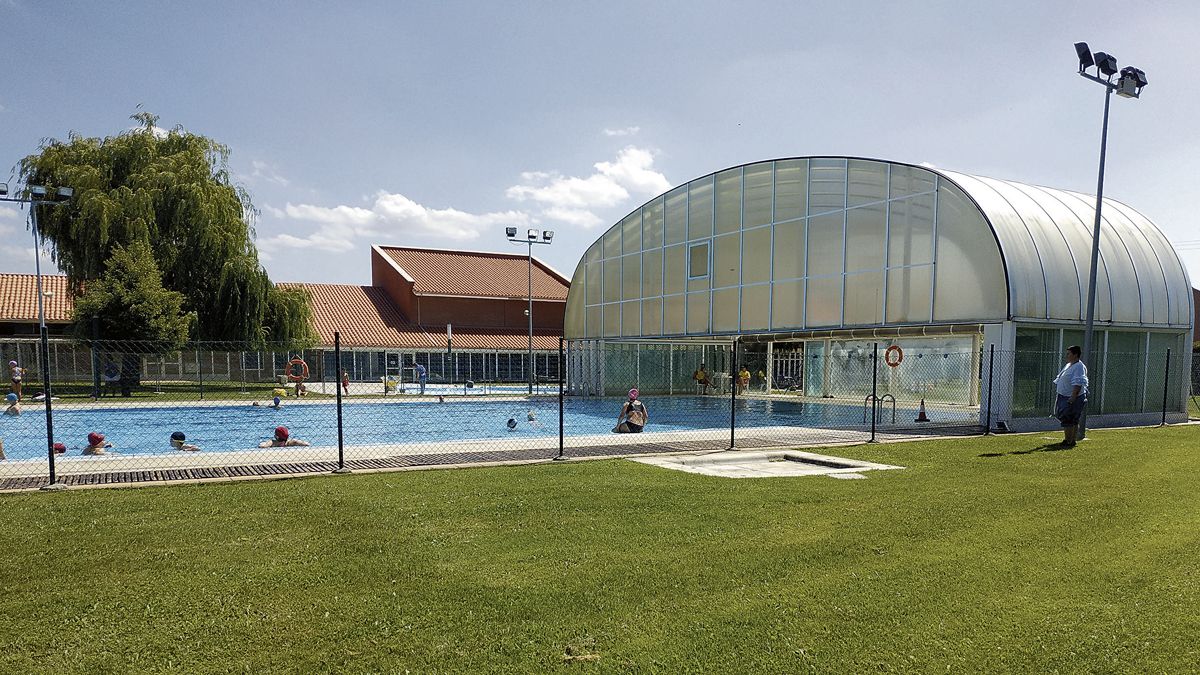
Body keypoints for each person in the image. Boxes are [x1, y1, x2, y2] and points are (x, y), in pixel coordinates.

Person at [1052, 345, 1089, 448]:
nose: (1066, 356)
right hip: (1064, 395)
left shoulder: (1079, 367)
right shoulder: (1070, 365)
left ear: (1075, 355)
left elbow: (1078, 383)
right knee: (1070, 419)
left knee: (1068, 419)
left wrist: (1073, 397)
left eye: (1069, 354)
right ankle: (1071, 440)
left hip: (1071, 397)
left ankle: (1068, 441)